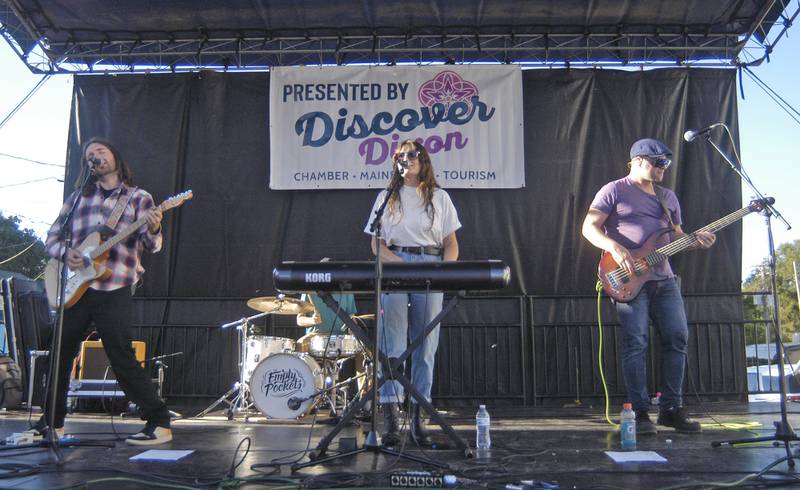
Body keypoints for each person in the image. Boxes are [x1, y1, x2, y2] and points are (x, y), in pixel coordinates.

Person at [40, 137, 173, 445]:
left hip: (114, 283)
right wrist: (67, 253)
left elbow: (152, 246)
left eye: (101, 151)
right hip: (75, 288)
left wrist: (153, 227)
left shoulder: (138, 197)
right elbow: (52, 239)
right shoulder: (77, 199)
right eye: (90, 154)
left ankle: (159, 422)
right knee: (59, 353)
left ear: (115, 157)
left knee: (120, 352)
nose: (95, 156)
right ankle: (51, 423)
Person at [581, 138, 715, 435]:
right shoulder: (614, 190)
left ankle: (671, 409)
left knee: (678, 338)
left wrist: (697, 241)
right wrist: (614, 247)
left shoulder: (667, 197)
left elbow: (677, 237)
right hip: (627, 278)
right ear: (638, 160)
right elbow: (589, 227)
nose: (663, 168)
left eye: (666, 163)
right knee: (636, 342)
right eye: (658, 162)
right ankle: (640, 413)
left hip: (664, 279)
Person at [363, 139, 461, 446]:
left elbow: (451, 243)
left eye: (412, 154)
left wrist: (442, 270)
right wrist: (400, 265)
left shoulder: (439, 197)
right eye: (400, 155)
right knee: (391, 340)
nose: (406, 158)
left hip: (431, 264)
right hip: (395, 264)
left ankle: (419, 418)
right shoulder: (386, 196)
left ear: (423, 160)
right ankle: (391, 420)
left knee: (425, 343)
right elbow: (375, 243)